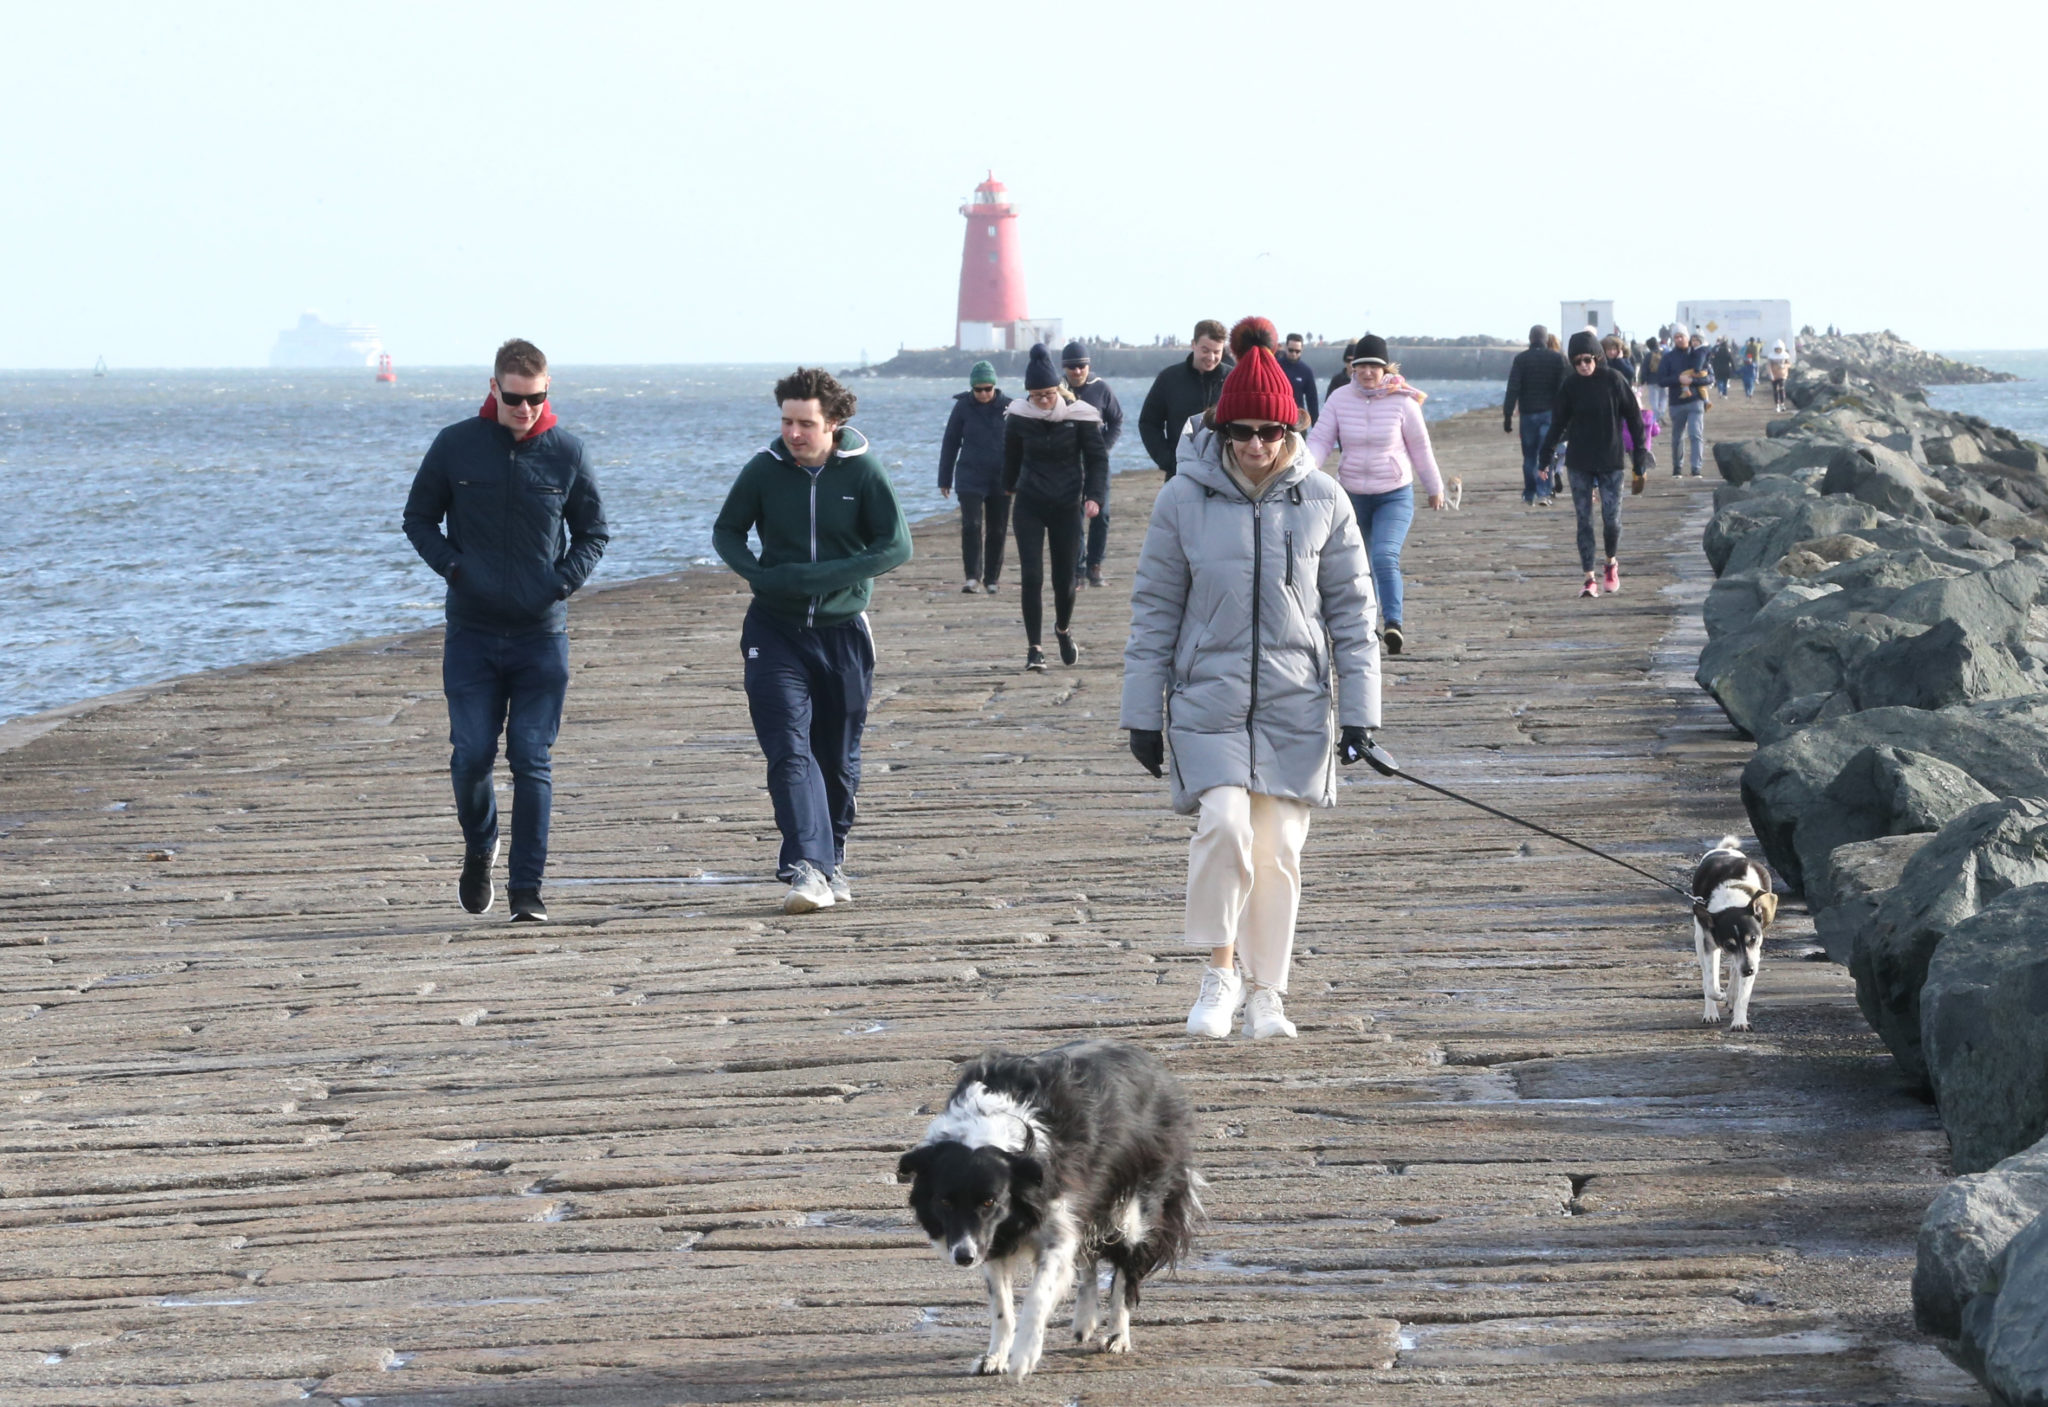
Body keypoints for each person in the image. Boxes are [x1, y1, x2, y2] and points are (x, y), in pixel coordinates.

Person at [1121, 316, 1381, 1042]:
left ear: (1292, 429)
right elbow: (1152, 610)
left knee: (1279, 851)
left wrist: (1362, 713)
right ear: (1221, 426)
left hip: (1297, 703)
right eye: (1242, 430)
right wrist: (1142, 713)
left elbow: (1356, 613)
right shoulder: (1182, 500)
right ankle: (1219, 970)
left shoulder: (1326, 500)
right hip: (1208, 698)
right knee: (1225, 826)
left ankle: (1270, 993)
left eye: (1271, 429)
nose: (1257, 443)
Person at [403, 338, 609, 923]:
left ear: (548, 392)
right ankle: (480, 845)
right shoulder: (456, 445)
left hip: (541, 637)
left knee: (530, 757)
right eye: (516, 399)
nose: (526, 410)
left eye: (537, 399)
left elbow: (594, 534)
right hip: (471, 633)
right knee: (470, 755)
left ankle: (527, 891)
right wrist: (455, 567)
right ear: (494, 389)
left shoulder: (566, 452)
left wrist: (560, 582)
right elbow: (417, 518)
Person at [712, 368, 912, 914]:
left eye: (806, 424)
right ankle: (807, 867)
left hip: (843, 632)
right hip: (774, 631)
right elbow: (726, 531)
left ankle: (833, 857)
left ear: (835, 423)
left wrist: (826, 578)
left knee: (838, 758)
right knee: (788, 748)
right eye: (786, 422)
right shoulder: (764, 470)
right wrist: (759, 573)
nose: (793, 434)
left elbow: (895, 546)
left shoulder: (864, 473)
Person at [1307, 334, 1445, 656]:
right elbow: (1320, 441)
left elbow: (1421, 448)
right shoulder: (1339, 399)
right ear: (1352, 368)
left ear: (1385, 368)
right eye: (1361, 366)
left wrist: (1434, 487)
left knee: (1384, 556)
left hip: (1393, 494)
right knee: (1359, 564)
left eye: (1374, 366)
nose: (1367, 372)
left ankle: (1393, 623)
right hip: (1352, 495)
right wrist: (1305, 472)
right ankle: (1366, 624)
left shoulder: (1403, 402)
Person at [1006, 344, 1108, 672]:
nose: (1043, 401)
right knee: (1031, 575)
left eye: (1048, 393)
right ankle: (1034, 648)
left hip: (1067, 504)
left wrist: (1094, 496)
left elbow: (1096, 460)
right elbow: (1009, 458)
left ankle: (1062, 629)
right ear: (1028, 394)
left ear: (1059, 390)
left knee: (1064, 580)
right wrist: (1004, 490)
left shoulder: (1081, 417)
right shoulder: (1019, 416)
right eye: (1036, 395)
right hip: (1029, 504)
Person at [1540, 330, 1649, 599]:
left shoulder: (1614, 380)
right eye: (1576, 362)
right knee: (1584, 521)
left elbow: (1635, 419)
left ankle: (1611, 563)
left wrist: (1639, 457)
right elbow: (1557, 425)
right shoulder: (1570, 386)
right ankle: (1589, 578)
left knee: (1611, 519)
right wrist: (1545, 457)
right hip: (1580, 461)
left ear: (1597, 358)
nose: (1583, 366)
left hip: (1611, 459)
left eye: (1587, 360)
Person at [938, 361, 1012, 594]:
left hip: (1000, 477)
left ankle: (992, 579)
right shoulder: (962, 407)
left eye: (987, 389)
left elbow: (1020, 444)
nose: (983, 394)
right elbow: (950, 442)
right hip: (970, 476)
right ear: (971, 388)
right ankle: (972, 577)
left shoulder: (1009, 407)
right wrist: (944, 478)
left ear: (994, 387)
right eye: (978, 389)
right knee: (971, 525)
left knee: (997, 529)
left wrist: (1019, 477)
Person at [1061, 340, 1124, 588]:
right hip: (1068, 465)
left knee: (1102, 515)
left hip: (1097, 464)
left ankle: (1095, 566)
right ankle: (1077, 570)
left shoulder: (1101, 390)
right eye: (1072, 367)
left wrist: (1103, 448)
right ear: (1064, 368)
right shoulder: (1055, 390)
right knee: (1073, 518)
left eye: (1081, 366)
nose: (1077, 371)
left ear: (1088, 366)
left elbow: (1117, 420)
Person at [1138, 320, 1232, 479]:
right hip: (1179, 472)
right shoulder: (1169, 378)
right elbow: (1149, 423)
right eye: (1205, 350)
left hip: (1224, 473)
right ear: (1193, 344)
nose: (1211, 357)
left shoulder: (1233, 380)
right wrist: (1167, 460)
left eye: (1217, 352)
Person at [1503, 324, 1568, 507]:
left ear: (1531, 339)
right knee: (1545, 455)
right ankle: (1543, 492)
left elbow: (1513, 388)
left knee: (1529, 456)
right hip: (1550, 414)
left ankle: (1529, 493)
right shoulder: (1557, 359)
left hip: (1528, 415)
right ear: (1546, 339)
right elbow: (1563, 389)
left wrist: (1508, 415)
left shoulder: (1521, 359)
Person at [1658, 327, 1713, 476]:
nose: (1679, 339)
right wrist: (1678, 379)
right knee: (1677, 437)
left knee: (1695, 434)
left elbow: (1710, 377)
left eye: (1681, 336)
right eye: (1675, 337)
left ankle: (1696, 468)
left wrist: (1693, 380)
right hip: (1676, 402)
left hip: (1695, 400)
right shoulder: (1668, 357)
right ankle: (1677, 468)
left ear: (1688, 337)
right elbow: (1661, 380)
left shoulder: (1699, 353)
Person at [1277, 332, 1321, 426]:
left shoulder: (1306, 371)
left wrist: (1316, 425)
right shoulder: (1275, 367)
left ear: (1302, 350)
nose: (1294, 354)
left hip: (1297, 421)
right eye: (1291, 350)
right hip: (1277, 418)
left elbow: (1312, 400)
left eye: (1297, 351)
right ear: (1285, 347)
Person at [1766, 338, 1793, 412]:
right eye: (1777, 349)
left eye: (1779, 349)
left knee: (1781, 389)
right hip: (1774, 375)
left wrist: (1784, 366)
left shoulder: (1785, 356)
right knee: (1775, 390)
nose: (1778, 350)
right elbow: (1768, 366)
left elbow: (1789, 364)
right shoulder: (1771, 356)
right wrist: (1770, 374)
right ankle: (1777, 405)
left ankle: (1782, 404)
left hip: (1782, 375)